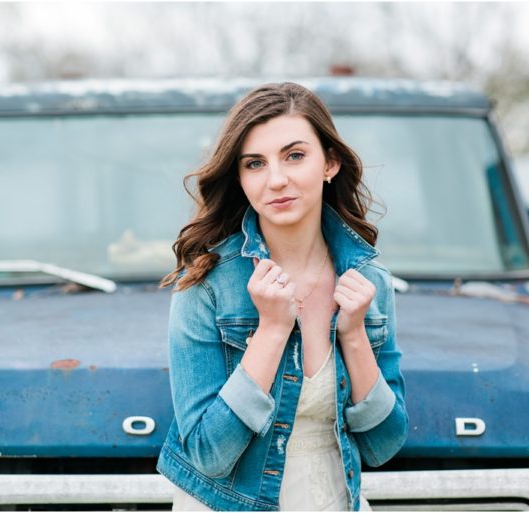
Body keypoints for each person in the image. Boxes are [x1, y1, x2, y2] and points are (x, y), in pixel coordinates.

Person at [157, 82, 409, 511]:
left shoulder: (370, 284)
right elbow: (208, 453)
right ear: (239, 178)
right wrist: (272, 331)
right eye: (255, 164)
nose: (276, 180)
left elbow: (383, 446)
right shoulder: (207, 283)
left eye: (295, 156)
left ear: (329, 163)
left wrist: (354, 336)